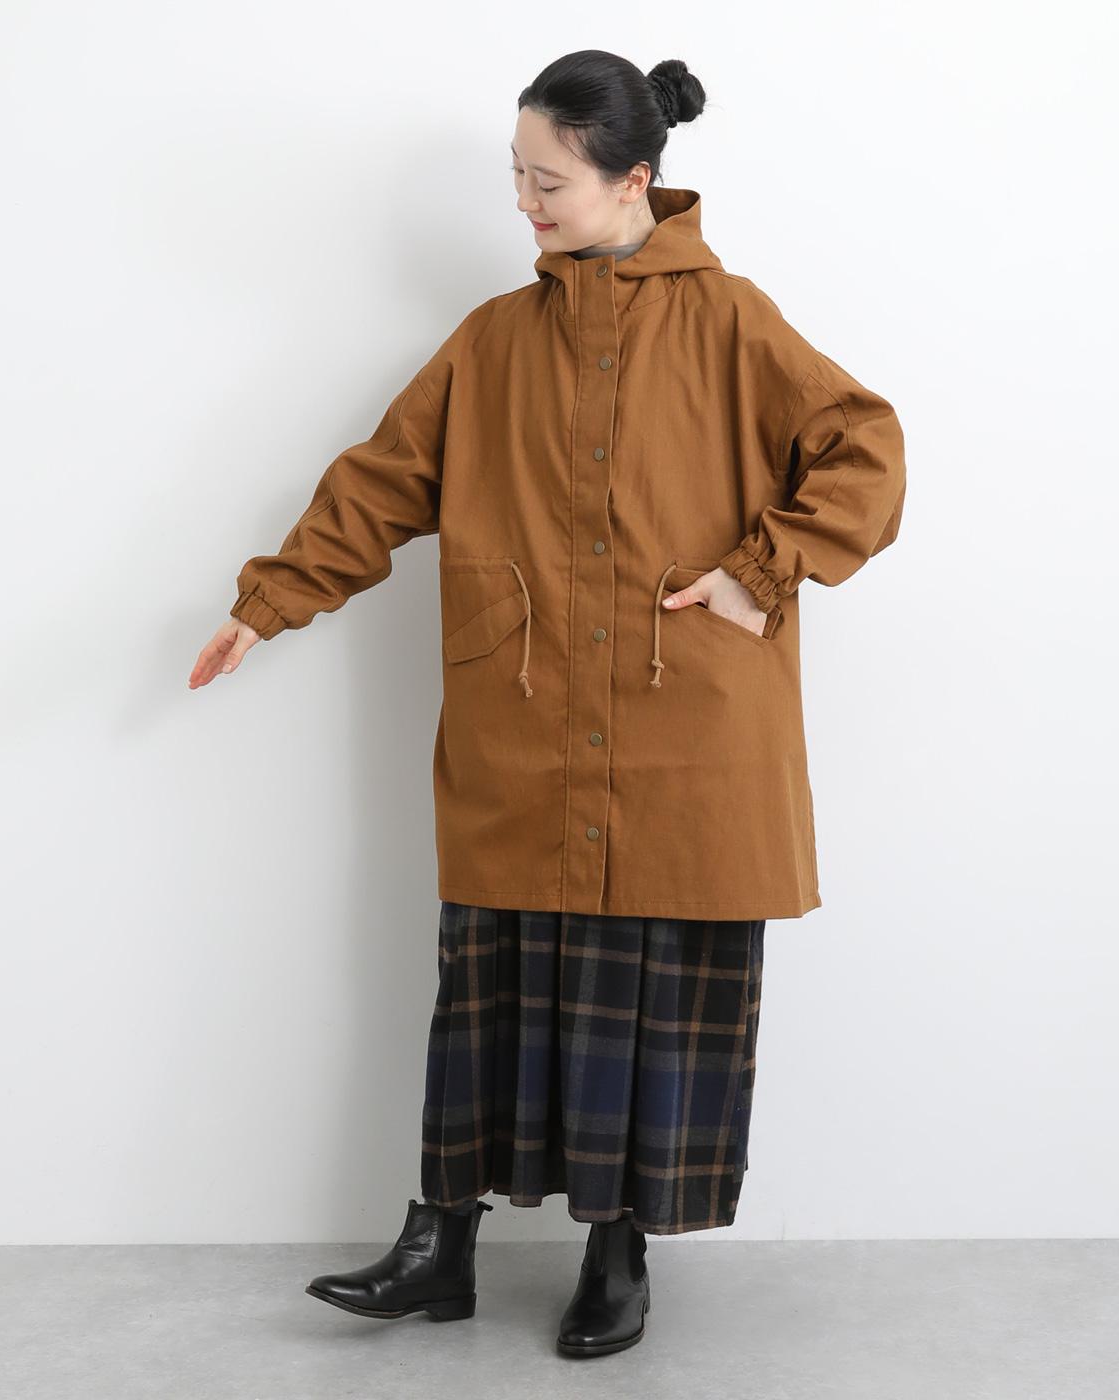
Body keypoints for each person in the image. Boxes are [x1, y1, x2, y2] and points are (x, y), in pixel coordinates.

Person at [189, 50, 906, 1359]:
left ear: (633, 179)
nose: (523, 203)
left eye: (547, 181)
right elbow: (381, 483)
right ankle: (438, 1249)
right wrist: (269, 602)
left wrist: (762, 573)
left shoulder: (734, 324)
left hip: (683, 737)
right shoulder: (492, 341)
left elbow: (866, 446)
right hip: (523, 729)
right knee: (492, 987)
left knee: (648, 1003)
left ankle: (618, 1258)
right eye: (515, 176)